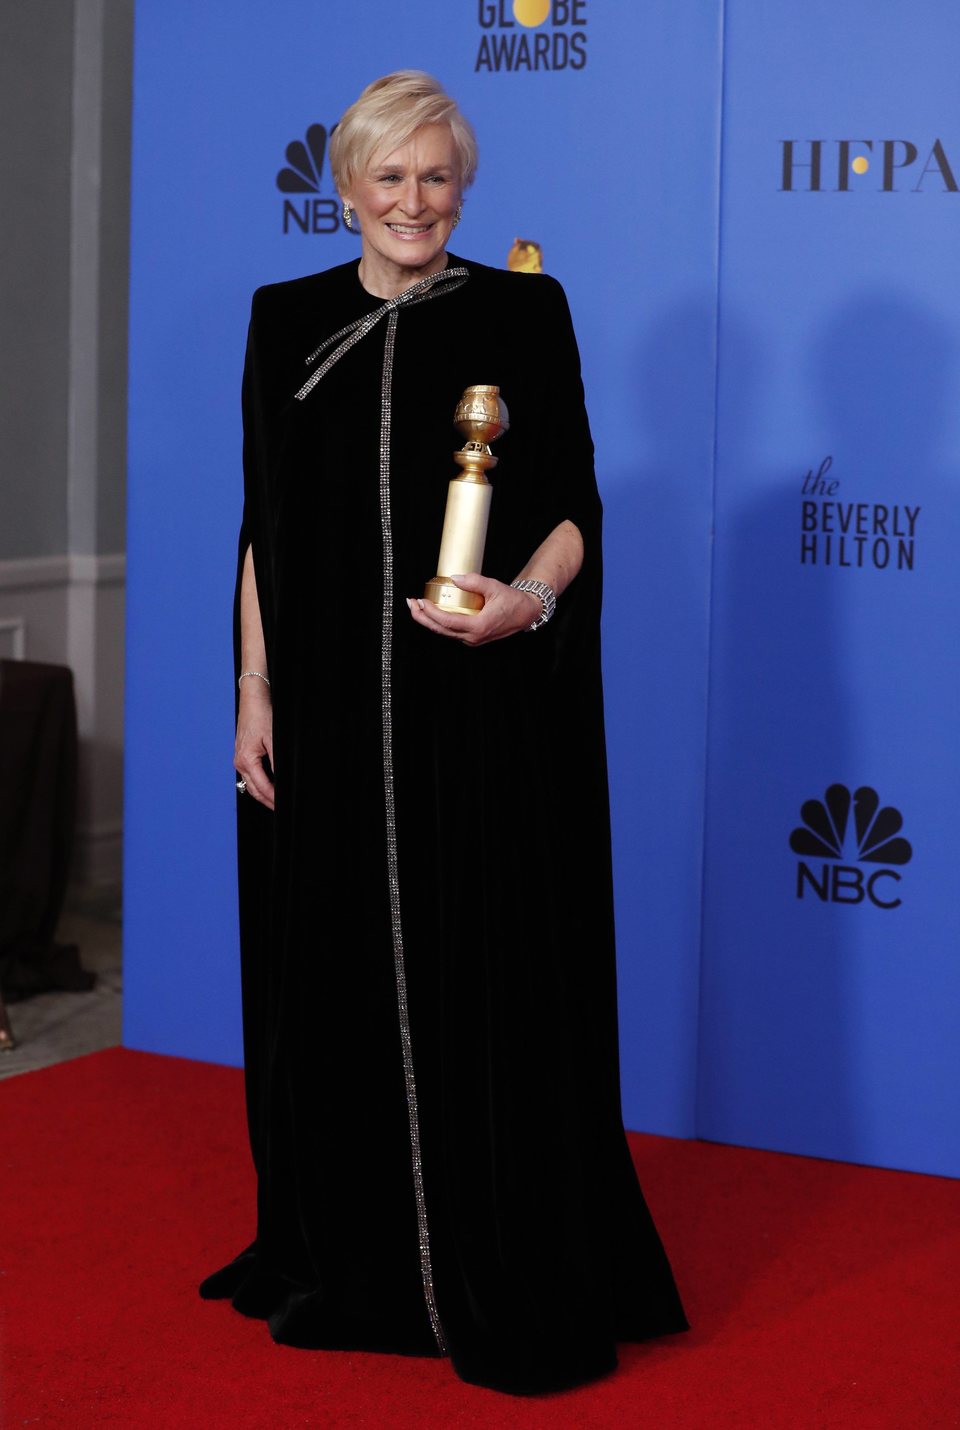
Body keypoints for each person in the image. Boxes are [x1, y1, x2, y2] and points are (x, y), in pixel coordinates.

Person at [199, 70, 689, 1397]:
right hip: (334, 721)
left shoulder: (523, 313)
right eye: (391, 176)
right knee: (341, 969)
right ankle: (356, 1255)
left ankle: (498, 1249)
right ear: (346, 185)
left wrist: (526, 600)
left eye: (438, 176)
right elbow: (266, 530)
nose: (416, 201)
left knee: (490, 974)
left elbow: (576, 501)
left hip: (476, 708)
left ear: (462, 187)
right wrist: (255, 691)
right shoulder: (282, 320)